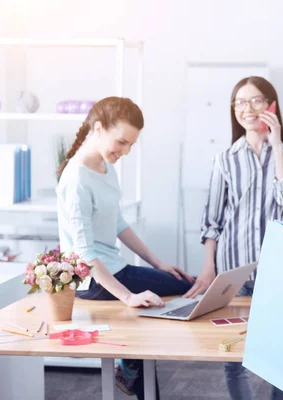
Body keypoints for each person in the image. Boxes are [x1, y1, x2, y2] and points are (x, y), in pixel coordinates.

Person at [57, 96, 194, 400]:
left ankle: (130, 365)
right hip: (93, 280)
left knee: (180, 284)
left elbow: (118, 224)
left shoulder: (106, 167)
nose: (125, 151)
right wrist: (129, 297)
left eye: (131, 145)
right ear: (98, 129)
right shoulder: (77, 179)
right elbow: (84, 254)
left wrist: (158, 263)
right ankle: (129, 365)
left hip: (114, 269)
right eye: (121, 142)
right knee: (189, 286)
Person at [189, 76, 283, 400]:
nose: (247, 109)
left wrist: (278, 144)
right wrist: (208, 267)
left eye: (255, 101)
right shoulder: (224, 159)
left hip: (278, 270)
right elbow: (212, 220)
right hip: (233, 268)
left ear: (271, 105)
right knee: (234, 354)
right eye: (240, 102)